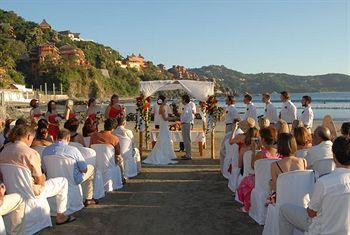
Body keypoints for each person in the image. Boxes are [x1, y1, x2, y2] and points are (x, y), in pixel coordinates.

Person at [0, 125, 75, 225]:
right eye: (32, 138)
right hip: (31, 193)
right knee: (62, 181)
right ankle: (61, 216)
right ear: (28, 136)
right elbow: (39, 181)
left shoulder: (4, 151)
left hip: (13, 191)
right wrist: (43, 177)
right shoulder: (30, 153)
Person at [279, 136, 350, 235]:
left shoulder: (324, 182)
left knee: (284, 209)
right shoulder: (325, 182)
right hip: (344, 229)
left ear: (334, 156)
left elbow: (311, 213)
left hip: (322, 229)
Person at [42, 129, 97, 206]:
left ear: (56, 138)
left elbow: (44, 169)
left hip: (53, 180)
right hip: (72, 181)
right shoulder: (73, 150)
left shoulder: (46, 150)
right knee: (91, 168)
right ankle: (88, 198)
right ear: (68, 139)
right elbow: (84, 169)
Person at [237, 127, 279, 212]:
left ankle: (247, 206)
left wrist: (253, 151)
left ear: (263, 139)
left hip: (260, 180)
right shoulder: (278, 153)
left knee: (244, 182)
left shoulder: (261, 154)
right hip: (274, 181)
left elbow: (253, 166)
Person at [143, 95, 178, 165]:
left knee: (165, 139)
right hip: (164, 125)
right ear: (163, 101)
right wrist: (175, 119)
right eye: (165, 100)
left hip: (164, 125)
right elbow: (165, 118)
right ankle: (163, 154)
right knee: (163, 139)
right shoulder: (162, 108)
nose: (166, 101)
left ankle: (166, 154)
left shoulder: (163, 107)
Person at [180, 94, 193, 160]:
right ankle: (187, 154)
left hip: (186, 124)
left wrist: (180, 120)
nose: (181, 100)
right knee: (186, 139)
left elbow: (185, 117)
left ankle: (188, 155)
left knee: (186, 139)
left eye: (182, 99)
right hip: (185, 124)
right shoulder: (187, 106)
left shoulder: (187, 107)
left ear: (184, 100)